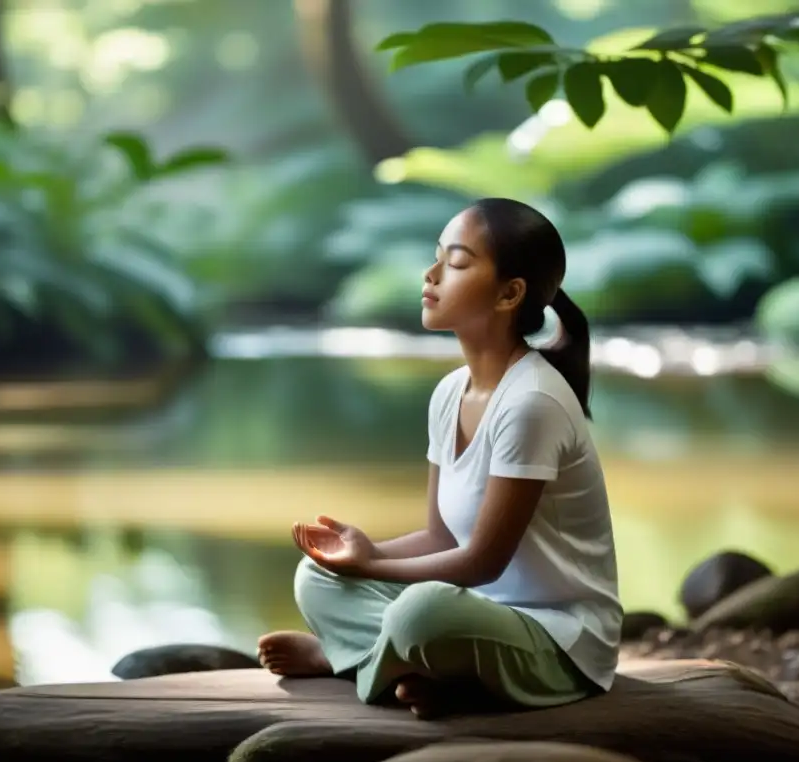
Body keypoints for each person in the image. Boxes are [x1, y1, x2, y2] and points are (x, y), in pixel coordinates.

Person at [258, 197, 622, 719]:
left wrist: (374, 564)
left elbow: (481, 561)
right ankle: (407, 668)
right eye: (437, 258)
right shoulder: (451, 392)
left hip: (559, 641)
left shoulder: (531, 403)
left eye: (454, 263)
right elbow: (442, 538)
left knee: (420, 613)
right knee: (316, 578)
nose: (429, 275)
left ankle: (348, 659)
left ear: (509, 293)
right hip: (477, 616)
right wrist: (362, 556)